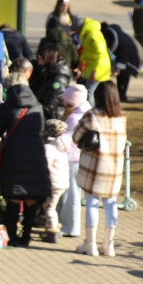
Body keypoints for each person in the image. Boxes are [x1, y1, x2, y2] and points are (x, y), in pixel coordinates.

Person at [0, 60, 51, 248]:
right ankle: (26, 236)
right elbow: (41, 128)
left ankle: (13, 237)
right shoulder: (37, 105)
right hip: (36, 153)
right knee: (32, 196)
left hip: (14, 153)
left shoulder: (8, 106)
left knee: (14, 195)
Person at [74, 80, 128, 257]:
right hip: (115, 167)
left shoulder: (93, 115)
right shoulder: (121, 118)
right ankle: (109, 245)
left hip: (95, 166)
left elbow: (76, 136)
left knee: (92, 203)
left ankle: (90, 244)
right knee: (111, 203)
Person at [57, 83, 88, 238]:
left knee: (71, 193)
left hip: (72, 158)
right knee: (72, 192)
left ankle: (70, 226)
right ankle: (66, 224)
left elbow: (66, 140)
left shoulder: (74, 118)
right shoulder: (85, 113)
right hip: (78, 158)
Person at [40, 116, 72, 245]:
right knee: (51, 206)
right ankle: (51, 226)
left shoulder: (49, 148)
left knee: (49, 207)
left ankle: (52, 231)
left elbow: (45, 165)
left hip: (53, 183)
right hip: (62, 182)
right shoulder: (62, 147)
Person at [30, 39, 74, 118]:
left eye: (40, 59)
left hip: (54, 115)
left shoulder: (59, 77)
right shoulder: (49, 70)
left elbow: (54, 99)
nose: (39, 62)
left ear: (48, 58)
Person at [100, 21, 142, 102]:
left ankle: (122, 96)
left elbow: (123, 56)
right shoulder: (114, 35)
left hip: (130, 60)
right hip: (123, 59)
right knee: (121, 77)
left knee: (124, 77)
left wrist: (117, 68)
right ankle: (120, 95)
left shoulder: (121, 40)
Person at [76, 17, 112, 95]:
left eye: (77, 30)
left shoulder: (93, 36)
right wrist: (81, 61)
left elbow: (100, 54)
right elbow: (87, 50)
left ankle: (89, 104)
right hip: (93, 66)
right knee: (89, 90)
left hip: (99, 67)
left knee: (89, 91)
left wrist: (95, 71)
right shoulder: (87, 34)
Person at [46, 0, 81, 68]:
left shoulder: (71, 16)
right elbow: (51, 32)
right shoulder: (53, 17)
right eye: (63, 5)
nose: (65, 7)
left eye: (67, 5)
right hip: (58, 43)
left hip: (70, 44)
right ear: (58, 5)